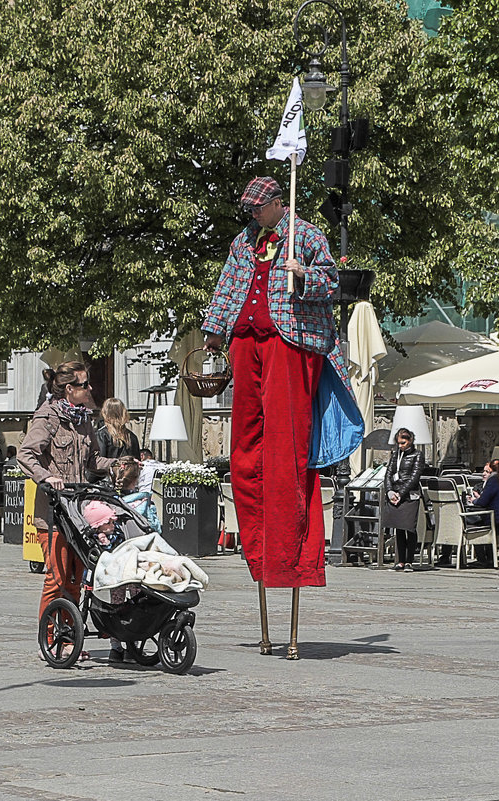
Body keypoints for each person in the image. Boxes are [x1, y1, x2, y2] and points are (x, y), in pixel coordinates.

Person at [202, 175, 350, 658]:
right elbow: (228, 288)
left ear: (276, 205)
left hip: (290, 343)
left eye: (258, 210)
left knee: (286, 447)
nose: (253, 217)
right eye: (250, 211)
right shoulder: (242, 242)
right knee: (247, 450)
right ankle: (258, 544)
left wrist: (303, 274)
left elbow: (333, 283)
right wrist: (214, 334)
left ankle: (289, 554)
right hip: (248, 342)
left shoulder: (306, 235)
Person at [18, 361, 116, 660]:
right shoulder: (47, 418)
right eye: (84, 385)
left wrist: (120, 464)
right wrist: (46, 477)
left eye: (88, 384)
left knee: (76, 579)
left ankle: (69, 637)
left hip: (79, 512)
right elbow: (25, 455)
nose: (90, 389)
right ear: (69, 389)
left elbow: (93, 462)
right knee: (57, 579)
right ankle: (47, 639)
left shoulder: (85, 419)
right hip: (52, 513)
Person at [383, 428, 425, 573]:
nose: (400, 445)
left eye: (403, 442)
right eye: (398, 443)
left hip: (409, 495)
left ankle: (409, 561)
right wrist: (389, 491)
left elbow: (414, 477)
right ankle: (400, 560)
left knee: (409, 527)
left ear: (410, 441)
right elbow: (388, 473)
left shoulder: (417, 455)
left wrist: (400, 493)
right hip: (395, 494)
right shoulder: (396, 454)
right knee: (398, 528)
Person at [88, 398, 141, 483]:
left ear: (104, 412)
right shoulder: (132, 437)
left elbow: (97, 463)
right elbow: (137, 463)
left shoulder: (102, 435)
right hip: (127, 483)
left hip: (106, 485)